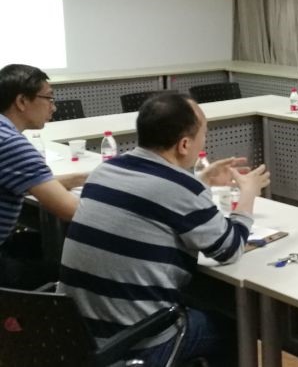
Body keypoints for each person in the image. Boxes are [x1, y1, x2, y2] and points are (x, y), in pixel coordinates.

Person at [58, 92, 270, 366]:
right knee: (234, 327)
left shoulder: (106, 171)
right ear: (184, 144)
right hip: (133, 343)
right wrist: (248, 194)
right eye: (203, 134)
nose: (204, 140)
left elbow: (154, 197)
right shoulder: (182, 188)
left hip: (76, 337)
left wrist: (200, 180)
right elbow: (229, 249)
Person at [0, 64, 85, 289]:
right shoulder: (12, 144)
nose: (53, 107)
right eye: (49, 98)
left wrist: (80, 179)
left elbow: (25, 182)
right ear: (22, 101)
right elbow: (71, 211)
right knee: (75, 267)